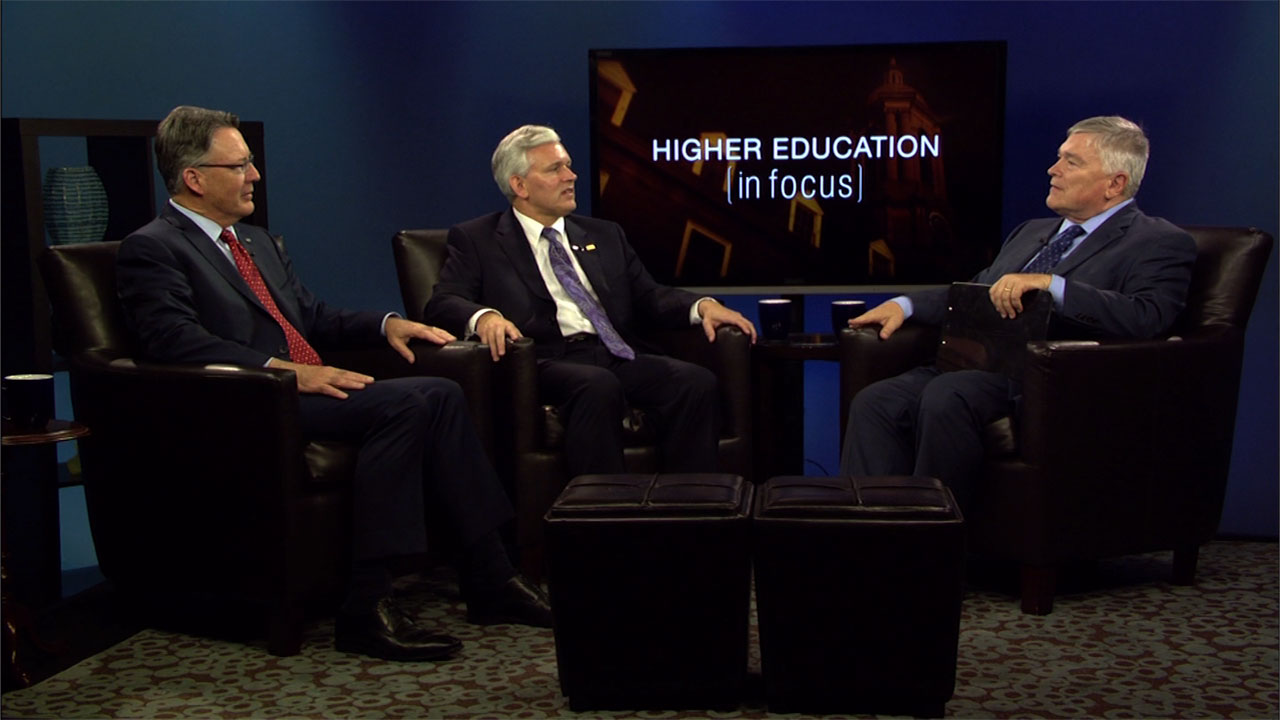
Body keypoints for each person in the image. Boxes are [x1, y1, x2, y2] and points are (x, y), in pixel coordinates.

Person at [116, 106, 551, 663]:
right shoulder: (154, 247)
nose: (254, 175)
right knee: (407, 405)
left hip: (298, 390)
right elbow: (174, 341)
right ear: (194, 178)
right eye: (240, 165)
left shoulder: (255, 241)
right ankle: (368, 603)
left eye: (251, 163)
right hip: (245, 403)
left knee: (439, 393)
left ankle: (488, 574)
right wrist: (286, 371)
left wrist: (386, 324)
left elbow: (311, 316)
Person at [839, 116, 1196, 511]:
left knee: (948, 395)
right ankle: (871, 534)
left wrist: (1053, 286)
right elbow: (976, 291)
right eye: (1059, 157)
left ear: (1115, 184)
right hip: (978, 366)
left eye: (1072, 162)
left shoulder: (1157, 241)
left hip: (1052, 381)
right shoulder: (1030, 232)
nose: (1053, 169)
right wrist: (904, 305)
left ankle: (936, 538)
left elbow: (1147, 317)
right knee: (877, 401)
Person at [425, 125, 757, 477]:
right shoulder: (479, 239)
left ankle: (690, 502)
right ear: (519, 185)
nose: (571, 176)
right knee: (597, 385)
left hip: (613, 353)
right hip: (542, 360)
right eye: (555, 169)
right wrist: (484, 316)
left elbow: (648, 295)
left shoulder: (604, 234)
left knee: (694, 382)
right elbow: (444, 301)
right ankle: (601, 506)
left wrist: (702, 306)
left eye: (568, 165)